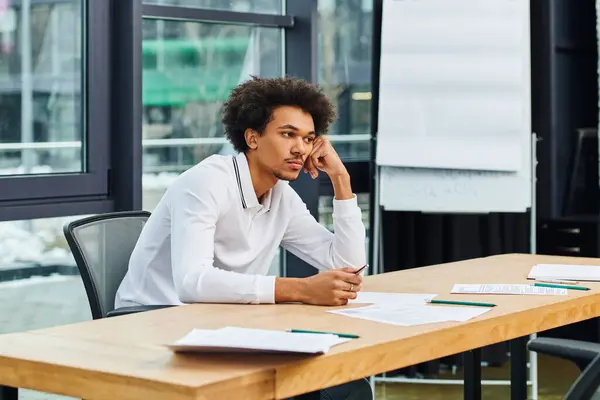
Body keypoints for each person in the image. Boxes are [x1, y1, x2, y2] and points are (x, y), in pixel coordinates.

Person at [115, 76, 372, 399]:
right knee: (308, 390)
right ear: (252, 138)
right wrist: (301, 289)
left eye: (308, 139)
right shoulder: (206, 183)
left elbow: (348, 266)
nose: (300, 148)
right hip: (153, 323)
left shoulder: (282, 197)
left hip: (219, 324)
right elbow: (192, 282)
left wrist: (341, 179)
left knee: (342, 387)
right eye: (288, 134)